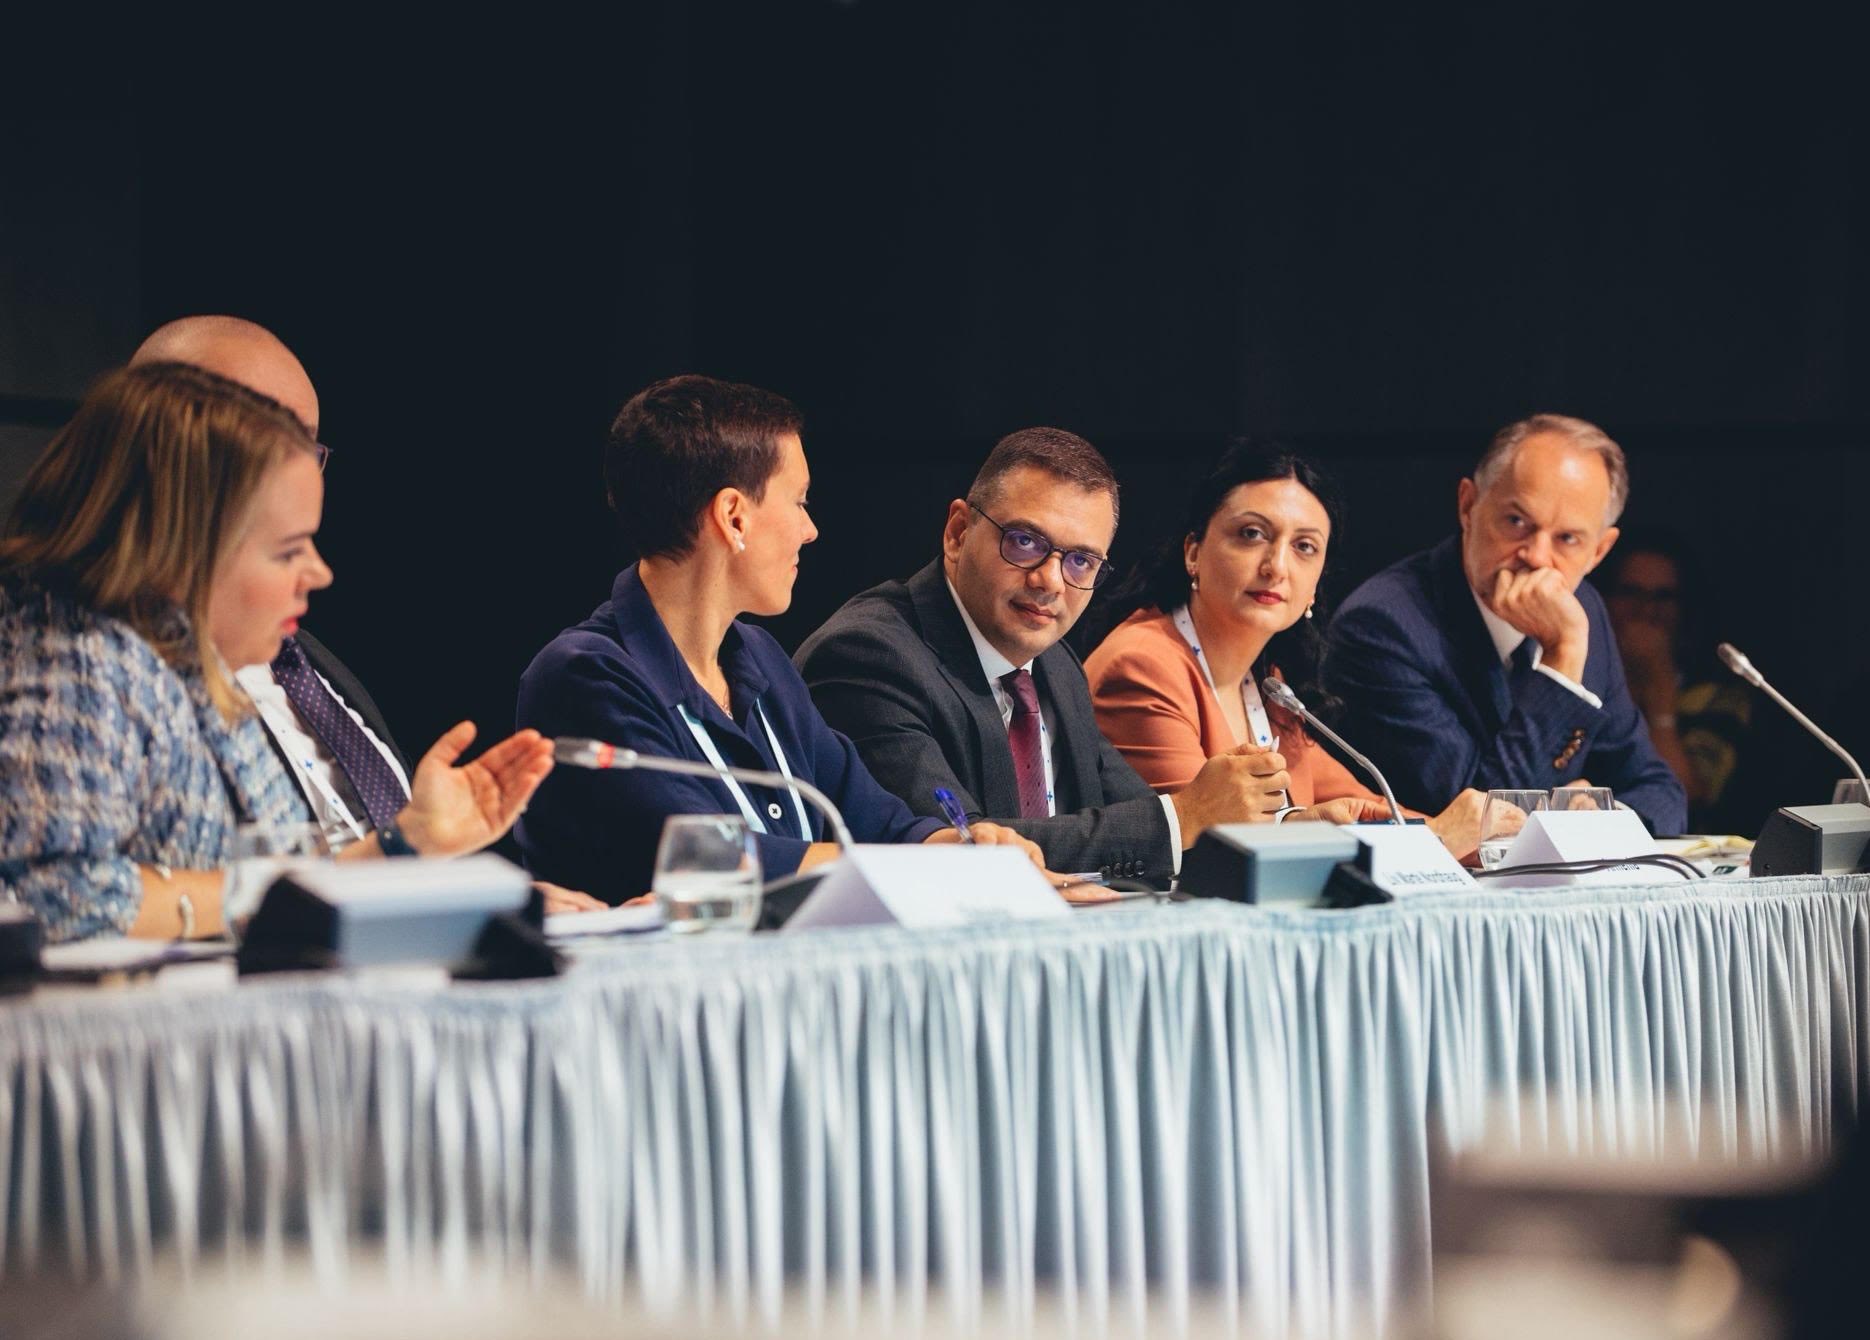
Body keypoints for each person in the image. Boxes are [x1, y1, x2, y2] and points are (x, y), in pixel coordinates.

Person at [0, 363, 556, 942]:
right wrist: (247, 894)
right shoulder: (78, 667)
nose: (319, 572)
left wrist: (407, 841)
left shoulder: (195, 663)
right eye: (288, 551)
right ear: (181, 547)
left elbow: (281, 891)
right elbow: (55, 899)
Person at [514, 374, 1041, 905]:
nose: (810, 531)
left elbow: (875, 819)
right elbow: (708, 860)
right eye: (799, 502)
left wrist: (961, 845)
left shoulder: (759, 657)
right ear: (734, 517)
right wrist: (925, 866)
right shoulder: (585, 675)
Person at [795, 429, 1385, 888]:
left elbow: (1139, 814)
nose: (1050, 580)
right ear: (957, 533)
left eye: (1081, 561)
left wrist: (1288, 830)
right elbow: (960, 851)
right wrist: (1185, 816)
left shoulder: (1054, 667)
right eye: (1024, 542)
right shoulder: (871, 657)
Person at [1084, 440, 1487, 856]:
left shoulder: (1269, 684)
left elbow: (1361, 806)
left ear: (1316, 583)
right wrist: (1439, 841)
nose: (1276, 566)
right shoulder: (1142, 667)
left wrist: (1473, 836)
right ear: (1193, 552)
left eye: (1304, 547)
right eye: (1252, 534)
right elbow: (1210, 850)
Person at [127, 317, 414, 850]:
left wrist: (445, 861)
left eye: (306, 445)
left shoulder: (305, 658)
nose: (319, 573)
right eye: (266, 443)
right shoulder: (105, 673)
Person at [1324, 413, 1687, 833]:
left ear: (1599, 552)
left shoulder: (1584, 607)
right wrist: (1562, 658)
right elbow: (1478, 826)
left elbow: (1660, 792)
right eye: (1517, 522)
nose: (1536, 557)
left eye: (1567, 539)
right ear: (1467, 506)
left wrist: (1601, 820)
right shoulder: (1382, 628)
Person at [1599, 534, 1762, 833]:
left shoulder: (1719, 695)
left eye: (1663, 597)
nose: (1646, 610)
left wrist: (1659, 687)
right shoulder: (1584, 680)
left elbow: (1688, 795)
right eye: (1631, 592)